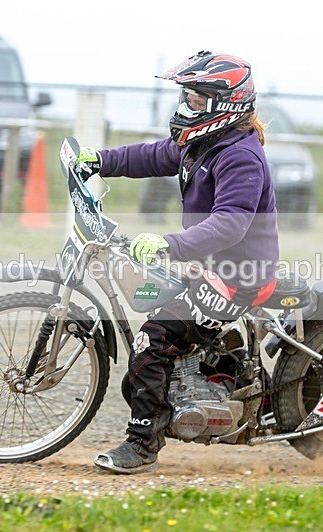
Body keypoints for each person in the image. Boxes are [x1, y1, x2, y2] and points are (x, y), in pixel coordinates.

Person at [75, 51, 280, 474]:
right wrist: (99, 161)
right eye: (186, 98)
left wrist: (169, 245)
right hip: (204, 264)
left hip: (237, 275)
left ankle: (141, 445)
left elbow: (231, 224)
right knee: (151, 297)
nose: (187, 108)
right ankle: (196, 372)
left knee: (151, 341)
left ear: (227, 104)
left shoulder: (240, 155)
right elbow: (151, 156)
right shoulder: (202, 144)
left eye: (197, 101)